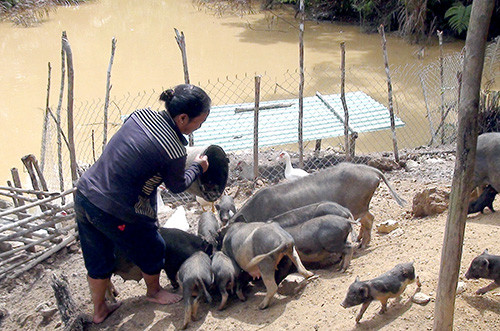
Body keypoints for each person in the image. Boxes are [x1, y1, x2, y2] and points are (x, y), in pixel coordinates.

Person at [74, 84, 211, 323]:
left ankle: (99, 310)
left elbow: (135, 151)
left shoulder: (140, 115)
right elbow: (177, 186)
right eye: (198, 122)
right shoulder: (174, 149)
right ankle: (154, 291)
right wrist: (197, 167)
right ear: (182, 118)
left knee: (96, 255)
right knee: (153, 245)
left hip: (85, 193)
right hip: (114, 209)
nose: (198, 127)